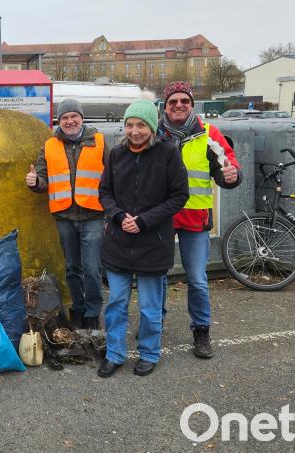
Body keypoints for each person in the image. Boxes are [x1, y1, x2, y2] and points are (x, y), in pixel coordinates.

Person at [97, 99, 189, 378]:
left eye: (140, 125)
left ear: (151, 127)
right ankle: (114, 353)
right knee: (116, 303)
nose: (134, 131)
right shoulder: (116, 155)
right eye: (129, 125)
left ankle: (149, 353)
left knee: (150, 308)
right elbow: (105, 192)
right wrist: (118, 216)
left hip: (153, 241)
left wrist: (145, 221)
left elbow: (179, 196)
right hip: (118, 241)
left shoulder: (168, 154)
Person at [157, 81, 242, 359]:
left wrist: (232, 176)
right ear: (165, 106)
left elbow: (227, 167)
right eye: (173, 102)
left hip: (195, 218)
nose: (178, 105)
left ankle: (201, 332)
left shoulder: (209, 133)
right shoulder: (154, 134)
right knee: (156, 275)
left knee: (197, 279)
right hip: (161, 218)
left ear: (192, 104)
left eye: (184, 101)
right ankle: (155, 323)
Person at [25, 99, 105, 329]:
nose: (69, 121)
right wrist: (35, 181)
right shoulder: (50, 145)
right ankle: (77, 309)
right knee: (72, 268)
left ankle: (92, 313)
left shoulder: (98, 141)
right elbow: (42, 179)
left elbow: (112, 175)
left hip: (93, 215)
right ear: (59, 121)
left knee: (91, 269)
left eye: (74, 116)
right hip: (65, 216)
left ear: (81, 117)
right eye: (64, 118)